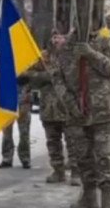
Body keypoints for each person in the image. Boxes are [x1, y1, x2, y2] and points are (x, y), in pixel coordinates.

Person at [59, 29, 110, 208]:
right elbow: (58, 79)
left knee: (104, 157)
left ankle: (108, 200)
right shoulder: (65, 49)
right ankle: (88, 196)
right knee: (82, 157)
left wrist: (90, 54)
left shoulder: (104, 43)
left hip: (103, 111)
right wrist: (71, 104)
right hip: (77, 113)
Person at [23, 27, 78, 185]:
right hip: (49, 107)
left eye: (60, 37)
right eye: (54, 37)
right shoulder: (43, 56)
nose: (56, 40)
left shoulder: (73, 56)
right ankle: (58, 171)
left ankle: (75, 172)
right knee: (52, 142)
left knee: (73, 142)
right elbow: (27, 74)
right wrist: (46, 77)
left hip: (68, 107)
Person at [0, 83, 31, 169]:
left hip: (23, 101)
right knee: (6, 132)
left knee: (24, 132)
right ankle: (7, 158)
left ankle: (25, 157)